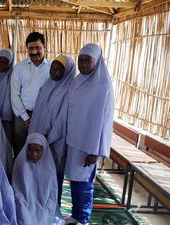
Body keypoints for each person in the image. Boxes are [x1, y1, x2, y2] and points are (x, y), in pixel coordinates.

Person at [64, 43, 114, 225]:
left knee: (84, 182)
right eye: (80, 60)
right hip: (74, 139)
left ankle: (83, 218)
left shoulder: (103, 87)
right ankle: (75, 214)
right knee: (74, 180)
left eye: (87, 61)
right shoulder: (78, 81)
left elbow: (104, 122)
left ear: (97, 61)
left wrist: (95, 151)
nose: (83, 65)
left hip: (89, 145)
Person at [29, 55, 76, 204]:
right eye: (52, 68)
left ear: (67, 72)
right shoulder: (47, 85)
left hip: (55, 140)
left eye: (58, 70)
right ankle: (37, 204)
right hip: (39, 137)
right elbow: (37, 112)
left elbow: (63, 120)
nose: (54, 72)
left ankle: (52, 205)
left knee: (54, 174)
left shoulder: (69, 91)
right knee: (37, 172)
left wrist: (48, 139)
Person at [10, 32, 51, 157]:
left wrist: (42, 115)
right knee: (20, 147)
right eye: (30, 48)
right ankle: (19, 174)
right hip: (22, 115)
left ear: (44, 47)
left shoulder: (52, 68)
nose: (34, 52)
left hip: (44, 115)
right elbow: (14, 94)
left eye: (37, 47)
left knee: (39, 148)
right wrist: (25, 117)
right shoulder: (19, 68)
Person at [12, 133, 64, 225]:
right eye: (30, 150)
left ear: (44, 150)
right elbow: (16, 190)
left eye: (37, 150)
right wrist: (23, 207)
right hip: (24, 204)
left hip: (45, 205)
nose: (34, 154)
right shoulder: (20, 163)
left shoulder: (49, 167)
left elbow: (52, 193)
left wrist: (45, 209)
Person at [0, 49, 14, 144]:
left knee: (6, 141)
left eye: (6, 62)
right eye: (0, 62)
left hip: (7, 115)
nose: (2, 65)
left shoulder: (13, 76)